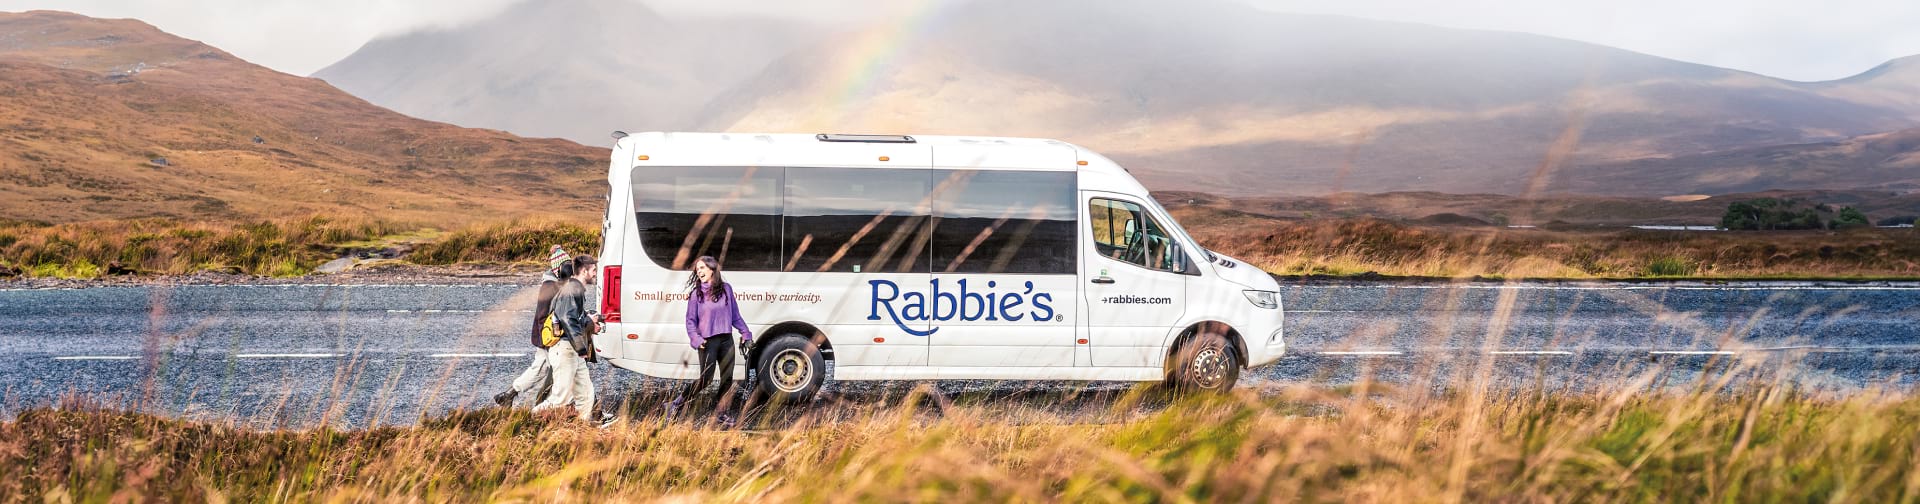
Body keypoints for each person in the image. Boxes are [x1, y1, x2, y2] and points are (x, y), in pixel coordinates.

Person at [670, 255, 753, 427]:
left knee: (727, 379)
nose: (699, 271)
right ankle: (675, 404)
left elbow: (735, 316)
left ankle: (720, 413)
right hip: (707, 342)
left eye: (702, 268)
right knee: (705, 379)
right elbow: (690, 320)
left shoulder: (726, 289)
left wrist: (746, 333)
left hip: (726, 340)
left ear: (712, 269)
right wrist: (695, 338)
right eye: (697, 269)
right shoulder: (696, 294)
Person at [534, 254, 609, 423]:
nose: (596, 274)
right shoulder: (572, 289)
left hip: (572, 350)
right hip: (566, 349)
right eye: (593, 270)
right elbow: (567, 319)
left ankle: (580, 430)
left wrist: (590, 319)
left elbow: (573, 317)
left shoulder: (576, 288)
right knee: (560, 398)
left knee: (586, 395)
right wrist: (582, 348)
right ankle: (528, 418)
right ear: (583, 271)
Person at [495, 245, 570, 407]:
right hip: (548, 336)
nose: (569, 268)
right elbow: (542, 316)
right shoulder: (550, 286)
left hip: (550, 336)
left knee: (543, 369)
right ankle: (542, 405)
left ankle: (511, 395)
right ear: (558, 268)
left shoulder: (558, 283)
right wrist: (550, 340)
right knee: (552, 369)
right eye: (566, 265)